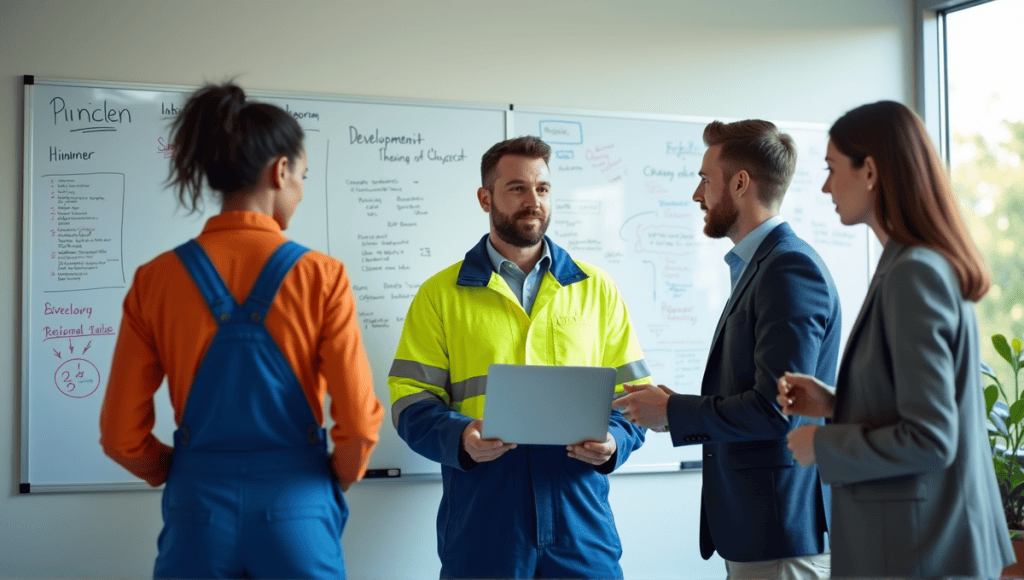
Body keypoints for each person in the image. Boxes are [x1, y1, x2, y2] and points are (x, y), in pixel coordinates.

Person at [99, 82, 384, 579]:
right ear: (280, 171)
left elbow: (120, 436)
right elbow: (358, 425)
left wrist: (183, 471)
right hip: (298, 505)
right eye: (303, 175)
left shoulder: (155, 279)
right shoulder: (322, 276)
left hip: (197, 511)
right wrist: (327, 482)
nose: (299, 188)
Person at [388, 135, 649, 579]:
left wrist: (614, 444)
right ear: (485, 197)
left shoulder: (596, 289)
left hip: (580, 518)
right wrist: (460, 436)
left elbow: (635, 399)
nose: (534, 202)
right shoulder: (440, 296)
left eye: (543, 189)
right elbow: (409, 401)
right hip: (482, 520)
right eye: (517, 189)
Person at [777, 100, 1014, 578]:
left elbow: (929, 439)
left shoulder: (914, 276)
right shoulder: (911, 267)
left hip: (920, 552)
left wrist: (823, 446)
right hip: (919, 547)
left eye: (831, 169)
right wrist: (835, 403)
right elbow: (917, 406)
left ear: (871, 171)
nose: (825, 186)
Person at [615, 120, 838, 580]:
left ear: (740, 183)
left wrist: (675, 411)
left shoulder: (788, 268)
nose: (698, 195)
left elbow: (778, 411)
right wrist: (668, 409)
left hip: (780, 533)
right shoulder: (758, 266)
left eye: (704, 179)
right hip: (757, 531)